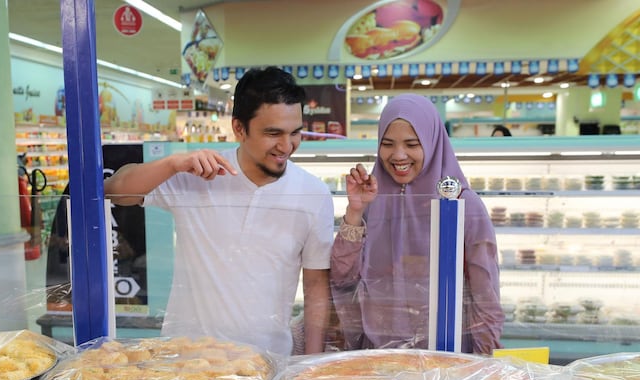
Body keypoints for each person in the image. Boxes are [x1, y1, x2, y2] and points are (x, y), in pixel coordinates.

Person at [104, 67, 335, 357]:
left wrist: (309, 365)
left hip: (267, 360)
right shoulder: (198, 173)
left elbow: (315, 288)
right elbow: (114, 189)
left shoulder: (313, 194)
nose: (286, 146)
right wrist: (172, 164)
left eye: (295, 133)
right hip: (186, 358)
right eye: (273, 133)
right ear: (239, 128)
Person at [331, 94, 504, 355]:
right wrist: (355, 212)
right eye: (387, 144)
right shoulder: (372, 198)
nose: (398, 155)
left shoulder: (460, 204)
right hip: (378, 354)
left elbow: (485, 295)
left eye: (412, 144)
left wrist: (484, 362)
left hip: (447, 353)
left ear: (433, 143)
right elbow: (342, 277)